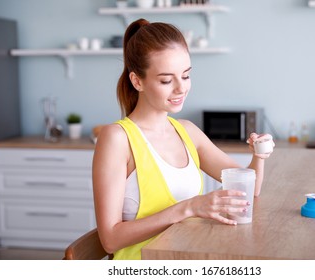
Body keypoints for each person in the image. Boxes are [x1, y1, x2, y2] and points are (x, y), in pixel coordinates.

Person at [92, 18, 275, 260]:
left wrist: (258, 156)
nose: (181, 88)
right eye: (166, 80)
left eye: (186, 76)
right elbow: (110, 240)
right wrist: (189, 207)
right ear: (137, 81)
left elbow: (247, 192)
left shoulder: (187, 131)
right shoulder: (117, 138)